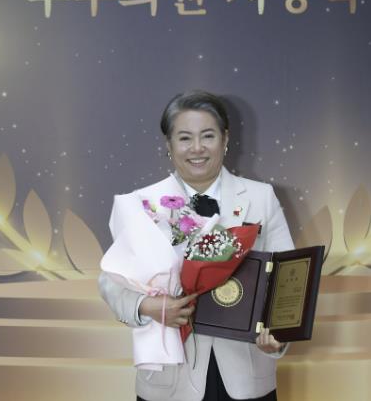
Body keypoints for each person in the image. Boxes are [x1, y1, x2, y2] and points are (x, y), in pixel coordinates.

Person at [98, 90, 295, 401]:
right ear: (169, 145)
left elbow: (288, 278)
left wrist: (280, 334)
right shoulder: (144, 204)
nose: (197, 148)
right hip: (170, 377)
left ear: (225, 139)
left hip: (246, 372)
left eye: (208, 136)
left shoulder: (261, 197)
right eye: (185, 138)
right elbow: (111, 282)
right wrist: (146, 306)